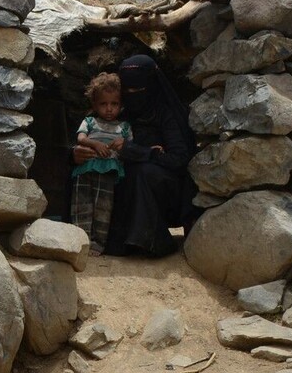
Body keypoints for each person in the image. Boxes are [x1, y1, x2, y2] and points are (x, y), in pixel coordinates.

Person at [91, 53, 198, 258]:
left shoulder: (166, 114)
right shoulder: (117, 114)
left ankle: (151, 241)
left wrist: (137, 152)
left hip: (167, 192)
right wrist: (79, 155)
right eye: (128, 91)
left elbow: (178, 159)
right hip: (124, 182)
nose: (133, 95)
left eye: (138, 90)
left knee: (141, 171)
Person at [72, 72, 132, 255]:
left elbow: (129, 148)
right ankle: (79, 241)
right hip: (86, 168)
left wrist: (123, 148)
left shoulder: (125, 127)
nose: (109, 109)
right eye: (103, 104)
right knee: (81, 205)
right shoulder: (89, 122)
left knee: (103, 208)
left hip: (109, 173)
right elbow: (81, 138)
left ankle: (98, 244)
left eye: (114, 104)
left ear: (121, 105)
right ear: (94, 105)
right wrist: (95, 144)